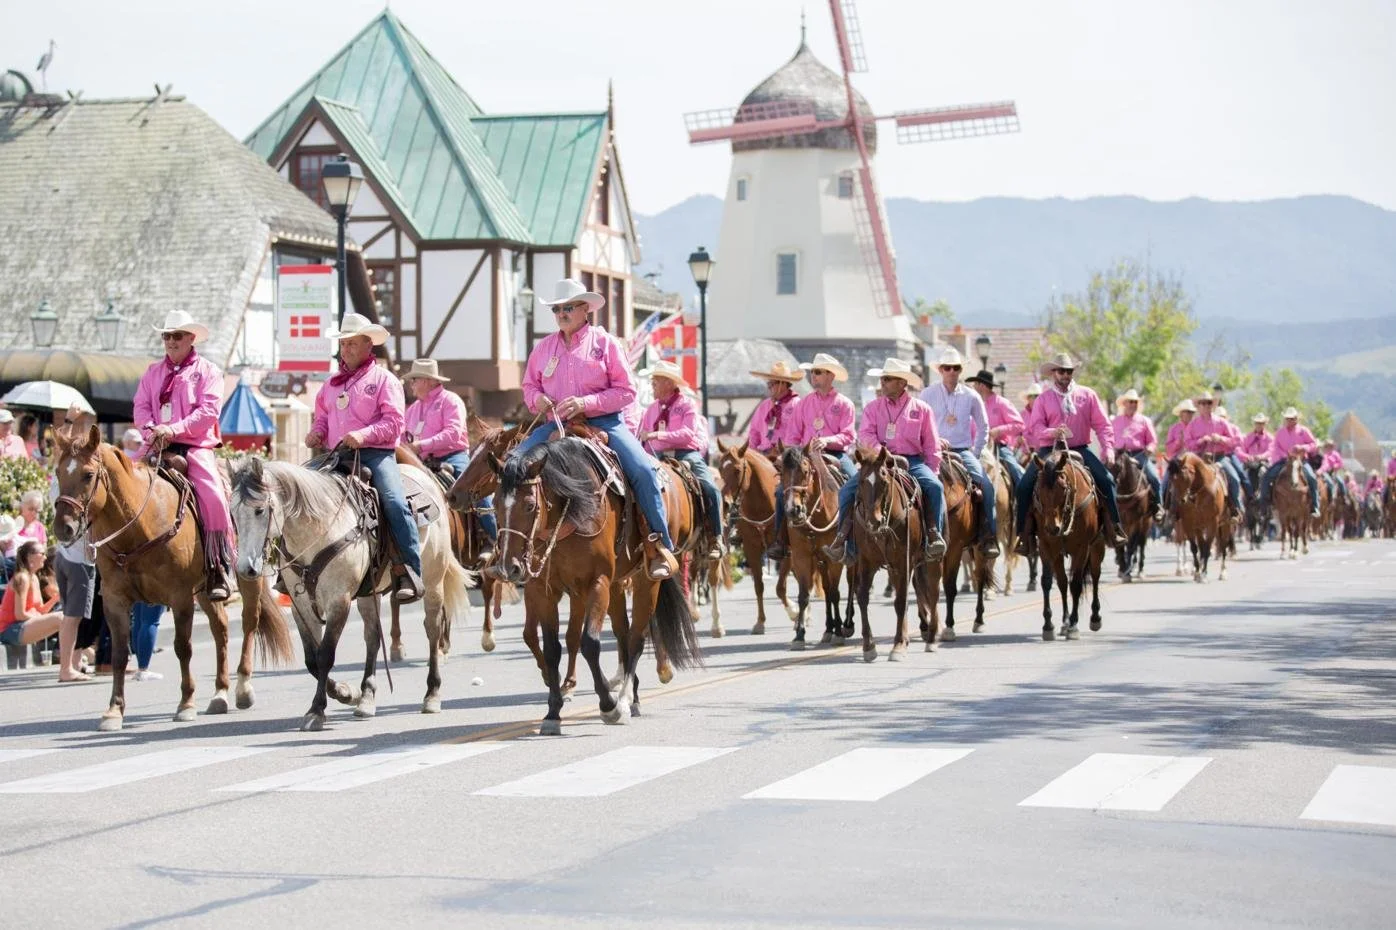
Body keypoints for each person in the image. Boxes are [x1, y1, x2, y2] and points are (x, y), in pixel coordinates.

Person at [514, 278, 677, 580]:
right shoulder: (543, 349)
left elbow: (626, 391)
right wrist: (539, 399)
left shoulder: (606, 344)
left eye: (568, 307)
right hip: (556, 424)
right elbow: (528, 387)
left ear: (585, 308)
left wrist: (585, 403)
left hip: (605, 423)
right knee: (512, 465)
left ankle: (659, 547)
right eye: (556, 309)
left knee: (642, 470)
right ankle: (508, 547)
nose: (561, 313)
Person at [307, 313, 422, 602]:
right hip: (337, 455)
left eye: (352, 344)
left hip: (376, 454)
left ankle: (409, 570)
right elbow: (322, 417)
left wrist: (364, 435)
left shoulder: (385, 380)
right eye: (343, 344)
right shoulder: (330, 384)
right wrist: (316, 432)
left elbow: (395, 423)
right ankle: (296, 569)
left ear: (368, 345)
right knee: (298, 491)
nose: (346, 350)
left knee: (394, 501)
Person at [133, 310, 235, 602]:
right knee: (121, 480)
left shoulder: (209, 371)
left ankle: (217, 564)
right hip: (156, 443)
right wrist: (150, 429)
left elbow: (208, 412)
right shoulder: (152, 373)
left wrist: (173, 429)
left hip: (194, 446)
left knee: (214, 495)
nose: (171, 341)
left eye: (177, 336)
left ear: (191, 338)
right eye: (167, 336)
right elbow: (140, 406)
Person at [823, 357, 947, 566]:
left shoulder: (922, 409)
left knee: (934, 486)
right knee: (846, 491)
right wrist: (882, 453)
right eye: (883, 378)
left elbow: (932, 445)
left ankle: (933, 535)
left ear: (902, 383)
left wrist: (933, 470)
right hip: (878, 462)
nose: (883, 382)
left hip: (912, 462)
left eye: (888, 379)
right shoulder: (873, 408)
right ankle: (844, 541)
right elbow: (865, 435)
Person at [1015, 353, 1126, 550]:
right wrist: (1053, 432)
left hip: (1080, 448)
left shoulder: (1087, 395)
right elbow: (1036, 427)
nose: (1065, 374)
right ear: (1053, 373)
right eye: (1061, 371)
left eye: (1068, 371)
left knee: (1107, 479)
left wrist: (1108, 449)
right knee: (1024, 486)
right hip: (1050, 449)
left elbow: (1102, 425)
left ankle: (1114, 527)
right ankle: (1023, 535)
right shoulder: (1043, 399)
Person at [403, 357, 496, 561]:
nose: (411, 384)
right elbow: (403, 437)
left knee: (475, 488)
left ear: (427, 381)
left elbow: (453, 433)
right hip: (422, 462)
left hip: (453, 457)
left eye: (414, 380)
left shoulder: (450, 400)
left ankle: (494, 537)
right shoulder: (411, 410)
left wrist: (421, 445)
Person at [637, 360, 724, 559]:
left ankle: (716, 537)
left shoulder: (686, 404)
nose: (652, 385)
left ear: (668, 382)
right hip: (656, 456)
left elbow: (687, 434)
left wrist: (657, 435)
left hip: (686, 454)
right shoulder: (651, 409)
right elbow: (643, 439)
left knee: (709, 487)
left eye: (656, 381)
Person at [919, 347, 999, 557]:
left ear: (960, 370)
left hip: (963, 451)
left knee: (986, 486)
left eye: (955, 368)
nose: (951, 371)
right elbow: (918, 424)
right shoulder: (927, 394)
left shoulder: (971, 396)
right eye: (947, 367)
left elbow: (984, 426)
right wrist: (932, 442)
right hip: (933, 450)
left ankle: (988, 535)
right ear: (940, 370)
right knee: (914, 484)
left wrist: (976, 451)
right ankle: (917, 532)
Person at [0, 541, 66, 671]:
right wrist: (36, 616)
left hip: (23, 626)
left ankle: (69, 661)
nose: (45, 557)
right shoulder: (22, 578)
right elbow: (20, 614)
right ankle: (67, 664)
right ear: (30, 556)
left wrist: (55, 599)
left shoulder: (34, 578)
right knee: (61, 618)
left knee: (67, 617)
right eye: (42, 554)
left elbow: (41, 611)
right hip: (9, 630)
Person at [1183, 393, 1243, 517]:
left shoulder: (1221, 422)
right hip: (1199, 458)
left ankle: (1235, 509)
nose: (1206, 406)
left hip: (1220, 457)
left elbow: (1236, 440)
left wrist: (1221, 439)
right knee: (1182, 478)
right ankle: (1178, 511)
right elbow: (1188, 444)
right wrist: (1201, 440)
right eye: (1203, 403)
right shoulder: (1192, 425)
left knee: (1234, 478)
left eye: (1209, 403)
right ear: (1198, 406)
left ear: (1212, 405)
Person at [1258, 407, 1321, 518]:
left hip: (1301, 461)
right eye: (1287, 419)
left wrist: (1303, 447)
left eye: (1292, 419)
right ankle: (1265, 506)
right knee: (1266, 477)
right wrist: (1284, 455)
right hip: (1284, 461)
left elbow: (1314, 444)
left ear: (1296, 419)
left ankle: (1314, 506)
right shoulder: (1280, 432)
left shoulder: (1303, 431)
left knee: (1311, 478)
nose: (1289, 421)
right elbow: (1275, 447)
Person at [966, 369, 1024, 487]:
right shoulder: (973, 404)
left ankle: (1023, 501)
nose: (973, 386)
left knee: (1014, 469)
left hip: (999, 447)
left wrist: (998, 430)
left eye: (975, 384)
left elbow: (1019, 425)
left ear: (982, 385)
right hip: (974, 448)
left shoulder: (1002, 403)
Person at [1110, 389, 1162, 517]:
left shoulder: (1145, 421)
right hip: (1119, 456)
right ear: (1124, 404)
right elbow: (1109, 439)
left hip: (1139, 455)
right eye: (1130, 402)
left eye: (1135, 402)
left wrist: (1150, 448)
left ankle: (1158, 506)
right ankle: (1104, 508)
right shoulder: (1115, 421)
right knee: (1105, 477)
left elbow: (1153, 440)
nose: (1133, 404)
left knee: (1154, 478)